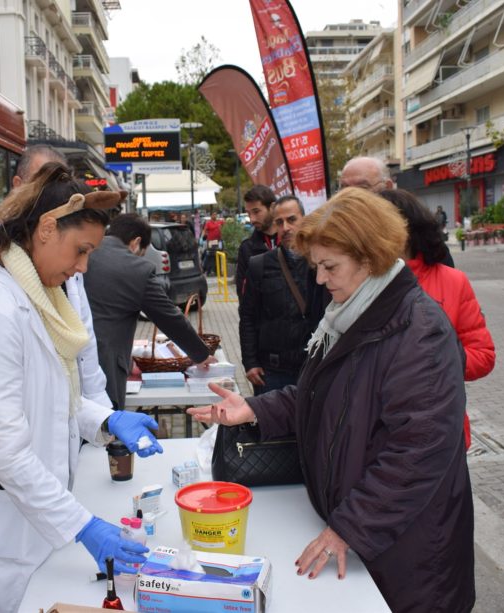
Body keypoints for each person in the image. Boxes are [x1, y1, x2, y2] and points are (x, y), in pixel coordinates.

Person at [190, 187, 475, 613]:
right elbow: (321, 394)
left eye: (329, 267)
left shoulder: (419, 331)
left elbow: (417, 452)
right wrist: (254, 408)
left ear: (370, 258)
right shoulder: (350, 315)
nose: (320, 279)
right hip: (368, 536)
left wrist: (350, 527)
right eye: (317, 266)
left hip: (409, 552)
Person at [0, 165, 163, 612]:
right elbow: (7, 453)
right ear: (47, 229)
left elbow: (53, 399)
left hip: (29, 523)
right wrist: (83, 525)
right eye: (81, 250)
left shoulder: (39, 299)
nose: (83, 267)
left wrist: (107, 419)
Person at [0, 145, 113, 407]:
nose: (51, 199)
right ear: (18, 186)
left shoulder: (63, 251)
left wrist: (99, 407)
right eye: (41, 186)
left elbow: (82, 331)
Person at [379, 189, 495, 449]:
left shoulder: (452, 281)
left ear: (407, 228)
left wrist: (437, 361)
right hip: (378, 432)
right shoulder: (357, 281)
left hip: (441, 429)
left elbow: (483, 355)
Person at [84, 214, 216, 410]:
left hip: (73, 361)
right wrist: (201, 354)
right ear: (136, 242)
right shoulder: (137, 269)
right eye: (142, 253)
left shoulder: (84, 252)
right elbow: (170, 318)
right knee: (105, 421)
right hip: (105, 367)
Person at [239, 195, 327, 394]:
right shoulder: (259, 265)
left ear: (304, 219)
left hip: (314, 367)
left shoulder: (322, 262)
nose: (285, 227)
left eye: (292, 219)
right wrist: (250, 362)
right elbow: (248, 316)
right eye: (279, 222)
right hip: (272, 372)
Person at [236, 185, 279, 299]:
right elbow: (243, 294)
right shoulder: (246, 248)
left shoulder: (292, 243)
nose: (252, 219)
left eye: (256, 212)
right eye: (249, 213)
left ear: (272, 208)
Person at [200, 210, 225, 275]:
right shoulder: (208, 223)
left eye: (215, 214)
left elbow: (226, 224)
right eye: (213, 214)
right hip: (211, 241)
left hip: (218, 241)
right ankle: (208, 270)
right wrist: (203, 238)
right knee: (210, 255)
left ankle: (218, 271)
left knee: (218, 255)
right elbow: (204, 231)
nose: (215, 216)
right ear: (211, 216)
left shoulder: (219, 221)